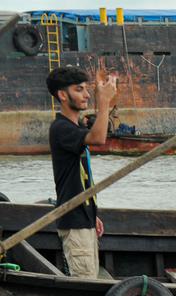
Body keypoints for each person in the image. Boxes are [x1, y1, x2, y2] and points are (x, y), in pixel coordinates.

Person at [45, 66, 117, 279]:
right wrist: (103, 102)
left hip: (84, 218)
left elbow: (82, 176)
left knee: (91, 277)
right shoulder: (61, 129)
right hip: (74, 223)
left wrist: (92, 212)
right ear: (62, 95)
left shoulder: (74, 129)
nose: (86, 95)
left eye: (87, 89)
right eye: (79, 90)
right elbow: (98, 138)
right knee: (85, 283)